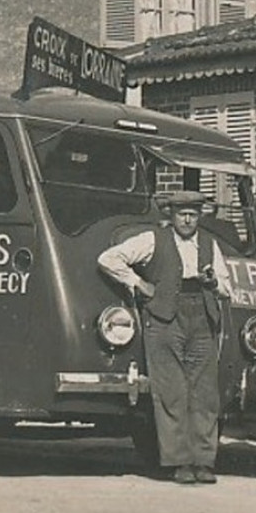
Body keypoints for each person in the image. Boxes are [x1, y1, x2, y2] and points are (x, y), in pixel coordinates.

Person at [97, 190, 233, 485]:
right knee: (172, 392)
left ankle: (204, 461)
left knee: (204, 392)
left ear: (200, 216)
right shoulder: (152, 239)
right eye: (181, 213)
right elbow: (109, 259)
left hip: (203, 317)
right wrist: (139, 283)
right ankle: (180, 462)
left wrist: (214, 283)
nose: (187, 218)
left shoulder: (210, 244)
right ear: (170, 215)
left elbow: (226, 287)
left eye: (193, 213)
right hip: (163, 319)